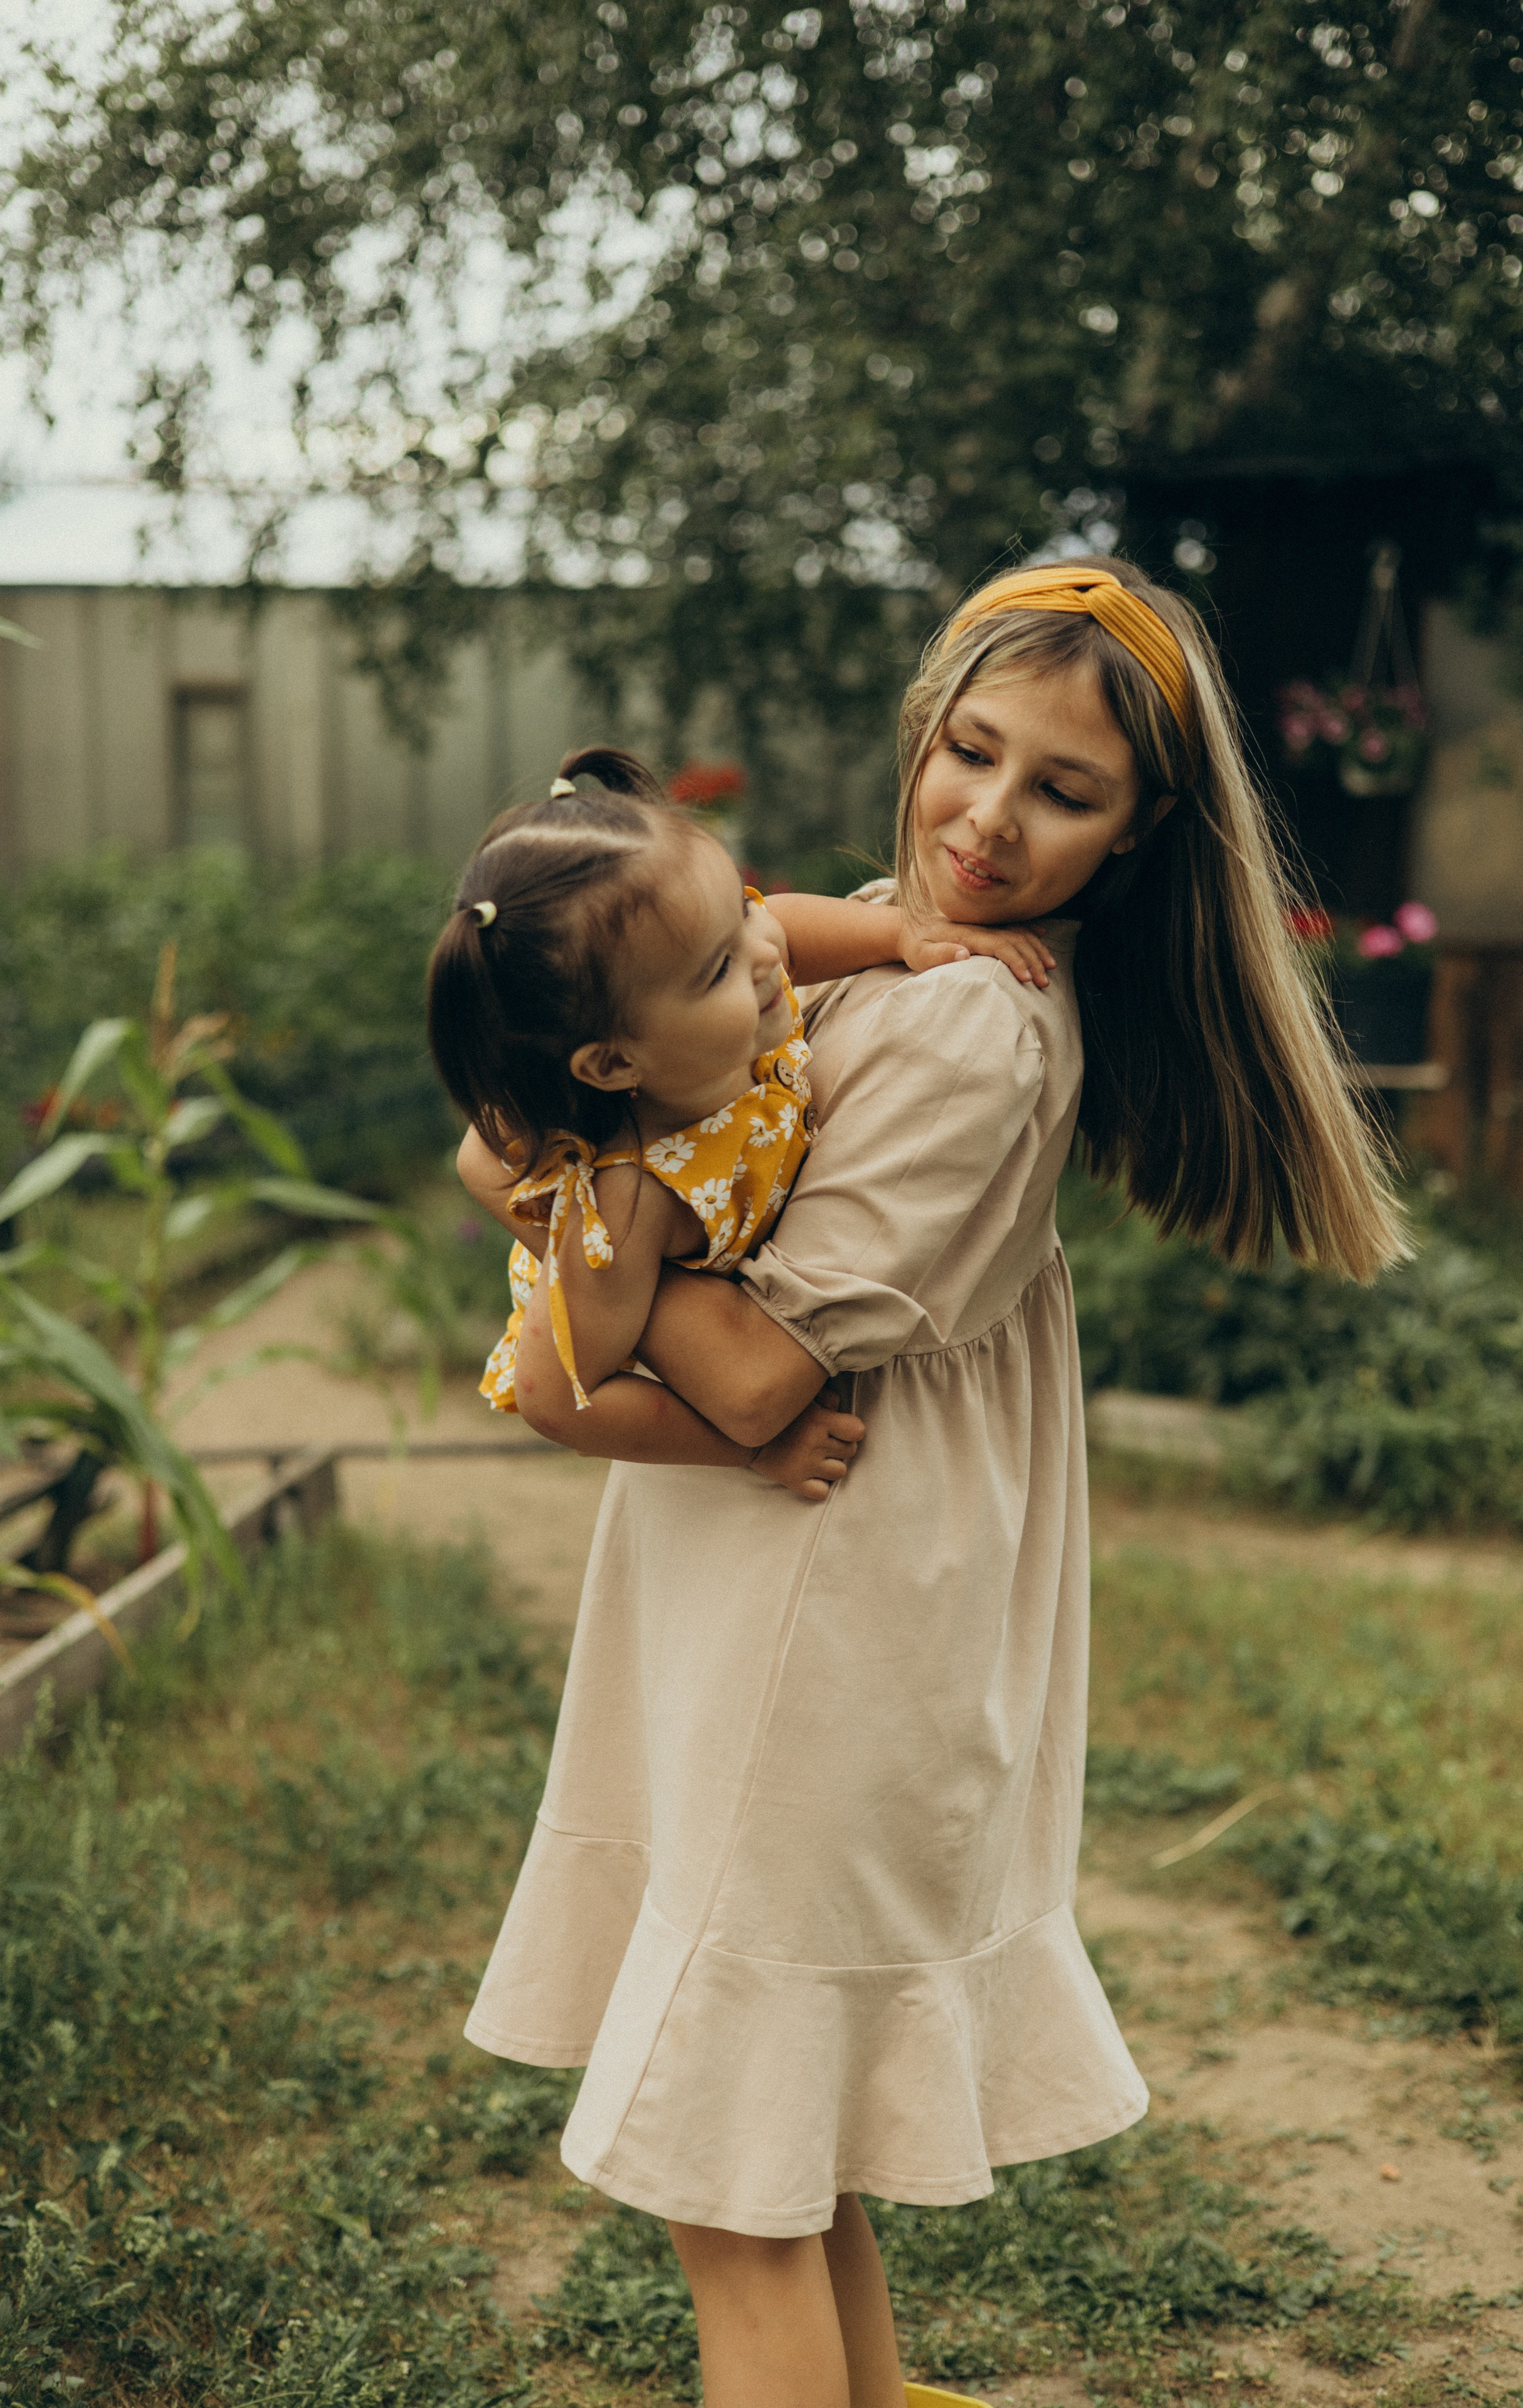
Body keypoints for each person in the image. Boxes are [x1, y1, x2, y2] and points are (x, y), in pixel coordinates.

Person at [450, 561, 1408, 2408]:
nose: (988, 815)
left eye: (1062, 789)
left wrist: (606, 1204)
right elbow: (640, 1045)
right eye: (970, 750)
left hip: (828, 1607)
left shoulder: (971, 1029)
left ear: (1136, 837)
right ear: (924, 733)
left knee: (727, 2200)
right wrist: (585, 1139)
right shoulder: (876, 944)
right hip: (787, 1594)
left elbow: (764, 1376)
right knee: (776, 2151)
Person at [429, 748, 1053, 1496]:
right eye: (717, 967)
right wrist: (747, 1452)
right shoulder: (627, 1209)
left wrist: (898, 936)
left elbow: (782, 929)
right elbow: (556, 1399)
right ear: (613, 1065)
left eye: (743, 906)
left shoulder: (723, 1015)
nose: (764, 952)